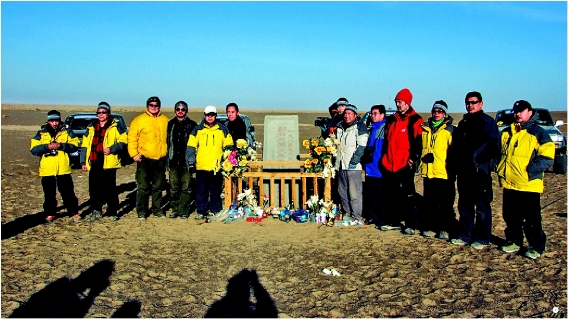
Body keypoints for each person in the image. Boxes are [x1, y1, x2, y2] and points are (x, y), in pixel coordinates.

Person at [497, 100, 555, 259]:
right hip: (510, 183)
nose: (518, 114)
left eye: (521, 111)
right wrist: (499, 167)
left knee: (532, 219)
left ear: (530, 112)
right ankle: (514, 241)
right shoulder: (507, 132)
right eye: (516, 111)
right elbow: (499, 153)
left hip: (528, 185)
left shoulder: (538, 132)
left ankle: (536, 246)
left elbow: (548, 157)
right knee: (510, 216)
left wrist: (529, 171)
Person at [450, 91, 500, 249]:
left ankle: (482, 238)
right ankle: (465, 234)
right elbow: (457, 147)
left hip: (480, 172)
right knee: (464, 205)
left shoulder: (487, 122)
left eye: (474, 102)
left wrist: (478, 159)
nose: (470, 105)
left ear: (481, 104)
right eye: (468, 102)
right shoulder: (463, 123)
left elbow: (494, 146)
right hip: (464, 172)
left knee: (482, 207)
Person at [379, 88, 424, 234]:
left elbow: (419, 141)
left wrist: (413, 157)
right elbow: (386, 140)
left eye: (401, 102)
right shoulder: (392, 119)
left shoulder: (416, 119)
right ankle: (393, 221)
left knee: (408, 195)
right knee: (389, 194)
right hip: (389, 163)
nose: (398, 105)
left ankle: (410, 223)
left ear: (407, 103)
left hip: (405, 163)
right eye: (397, 102)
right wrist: (383, 159)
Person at [80, 101, 128, 222]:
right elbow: (85, 145)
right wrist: (83, 162)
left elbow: (124, 142)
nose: (101, 115)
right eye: (99, 112)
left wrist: (112, 149)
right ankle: (96, 211)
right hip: (94, 161)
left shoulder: (116, 126)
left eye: (103, 112)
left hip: (109, 162)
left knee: (110, 189)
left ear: (108, 113)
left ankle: (112, 211)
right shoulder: (91, 127)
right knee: (94, 189)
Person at [30, 110, 79, 222]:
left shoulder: (67, 132)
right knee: (49, 194)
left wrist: (61, 145)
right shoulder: (41, 134)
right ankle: (50, 213)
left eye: (56, 120)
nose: (54, 123)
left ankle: (73, 212)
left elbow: (75, 145)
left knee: (68, 192)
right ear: (48, 121)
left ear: (59, 120)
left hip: (63, 168)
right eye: (52, 121)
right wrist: (47, 147)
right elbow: (33, 149)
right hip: (47, 169)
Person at [186, 106, 234, 220]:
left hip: (216, 168)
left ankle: (215, 210)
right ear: (204, 115)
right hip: (201, 166)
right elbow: (191, 147)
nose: (210, 117)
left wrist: (225, 161)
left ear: (215, 116)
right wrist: (191, 162)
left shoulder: (223, 129)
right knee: (201, 190)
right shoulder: (197, 130)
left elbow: (229, 146)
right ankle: (201, 211)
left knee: (215, 191)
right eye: (208, 115)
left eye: (212, 115)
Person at [418, 100, 456, 240]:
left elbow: (454, 151)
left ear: (445, 114)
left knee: (445, 204)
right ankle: (431, 226)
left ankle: (445, 228)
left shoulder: (449, 130)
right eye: (434, 111)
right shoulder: (425, 129)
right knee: (430, 202)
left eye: (440, 111)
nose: (436, 114)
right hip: (428, 171)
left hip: (444, 172)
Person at [128, 96, 169, 220]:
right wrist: (134, 154)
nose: (154, 107)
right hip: (144, 158)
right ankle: (142, 211)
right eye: (151, 105)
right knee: (143, 186)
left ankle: (157, 209)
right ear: (147, 106)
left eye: (156, 105)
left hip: (160, 158)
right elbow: (131, 138)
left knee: (158, 186)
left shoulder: (165, 120)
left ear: (159, 107)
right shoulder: (139, 120)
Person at [334, 104, 369, 221]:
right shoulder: (339, 127)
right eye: (345, 113)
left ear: (355, 115)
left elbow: (362, 146)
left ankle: (357, 215)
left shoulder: (360, 128)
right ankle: (347, 213)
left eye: (349, 114)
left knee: (354, 193)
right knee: (342, 191)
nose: (347, 116)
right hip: (340, 164)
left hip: (353, 165)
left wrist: (355, 160)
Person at [167, 101, 197, 219]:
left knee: (186, 187)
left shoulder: (192, 125)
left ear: (186, 111)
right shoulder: (170, 124)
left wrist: (192, 160)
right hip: (174, 160)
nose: (180, 111)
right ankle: (175, 209)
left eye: (183, 109)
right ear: (175, 110)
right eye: (178, 109)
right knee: (174, 187)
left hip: (186, 162)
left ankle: (183, 209)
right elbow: (167, 142)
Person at [362, 104, 387, 226]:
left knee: (381, 196)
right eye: (371, 113)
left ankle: (382, 218)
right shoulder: (372, 129)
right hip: (370, 167)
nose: (372, 116)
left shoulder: (385, 129)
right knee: (371, 195)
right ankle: (372, 216)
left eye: (375, 113)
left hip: (380, 168)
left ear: (383, 115)